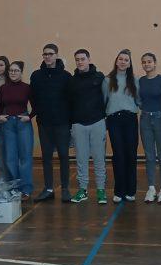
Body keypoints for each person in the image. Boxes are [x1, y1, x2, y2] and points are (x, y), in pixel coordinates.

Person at [30, 44, 73, 203]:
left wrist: (68, 119)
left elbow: (70, 99)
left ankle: (65, 189)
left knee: (63, 155)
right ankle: (48, 189)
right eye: (45, 54)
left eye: (50, 54)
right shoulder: (36, 76)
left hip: (62, 123)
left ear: (56, 55)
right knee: (46, 156)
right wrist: (38, 112)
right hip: (44, 123)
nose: (47, 56)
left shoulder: (66, 76)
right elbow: (33, 97)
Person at [67, 49, 108, 204]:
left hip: (97, 122)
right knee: (81, 159)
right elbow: (69, 103)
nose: (80, 62)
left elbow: (106, 98)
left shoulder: (100, 77)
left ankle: (101, 190)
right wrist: (72, 123)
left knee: (99, 158)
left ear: (89, 60)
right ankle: (82, 190)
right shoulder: (72, 81)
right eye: (77, 59)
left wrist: (102, 117)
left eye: (82, 59)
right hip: (78, 125)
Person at [103, 49, 141, 203]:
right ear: (116, 61)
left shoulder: (134, 80)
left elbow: (139, 100)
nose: (123, 62)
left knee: (131, 154)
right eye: (121, 59)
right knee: (118, 154)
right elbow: (104, 100)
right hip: (114, 120)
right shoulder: (107, 80)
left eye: (126, 60)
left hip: (130, 119)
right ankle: (119, 191)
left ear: (129, 63)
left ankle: (131, 190)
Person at [0, 61, 35, 199]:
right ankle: (14, 187)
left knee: (25, 157)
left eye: (16, 70)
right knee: (10, 158)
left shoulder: (27, 88)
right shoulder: (3, 88)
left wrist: (29, 116)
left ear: (21, 72)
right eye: (11, 70)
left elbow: (36, 105)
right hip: (8, 124)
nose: (13, 73)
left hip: (23, 123)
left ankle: (26, 189)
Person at [138, 52, 161, 203]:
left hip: (160, 119)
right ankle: (151, 188)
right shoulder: (140, 81)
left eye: (149, 61)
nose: (147, 64)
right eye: (144, 62)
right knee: (149, 155)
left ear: (155, 63)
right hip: (145, 119)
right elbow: (138, 99)